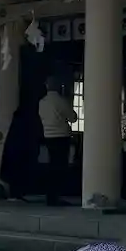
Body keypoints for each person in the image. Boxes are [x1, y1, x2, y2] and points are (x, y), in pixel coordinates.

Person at [38, 76, 77, 206]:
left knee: (52, 165)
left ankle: (51, 195)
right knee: (60, 166)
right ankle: (57, 195)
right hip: (61, 136)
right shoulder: (60, 101)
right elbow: (73, 118)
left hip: (48, 136)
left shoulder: (42, 102)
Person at [0, 96, 42, 200]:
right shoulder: (30, 122)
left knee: (14, 172)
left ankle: (14, 193)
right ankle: (21, 192)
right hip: (24, 151)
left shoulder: (16, 122)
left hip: (14, 151)